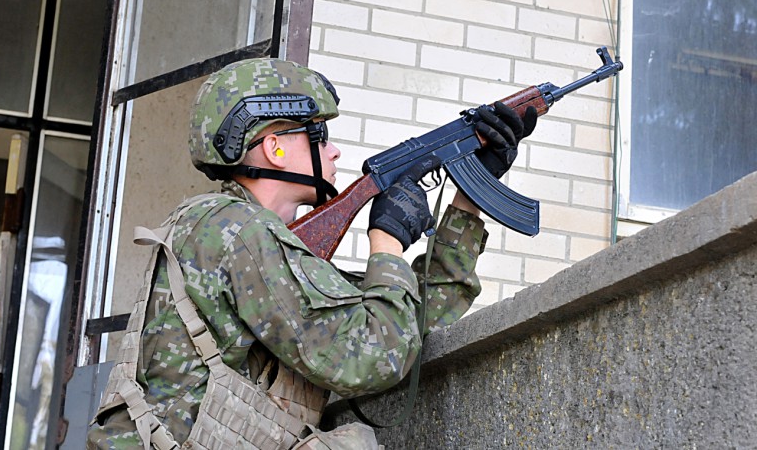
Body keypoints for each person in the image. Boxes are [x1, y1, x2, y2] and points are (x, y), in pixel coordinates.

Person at [87, 58, 535, 449]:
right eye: (319, 136)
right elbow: (372, 357)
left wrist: (470, 193)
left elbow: (406, 326)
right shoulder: (237, 231)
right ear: (274, 147)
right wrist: (387, 242)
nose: (335, 149)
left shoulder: (238, 233)